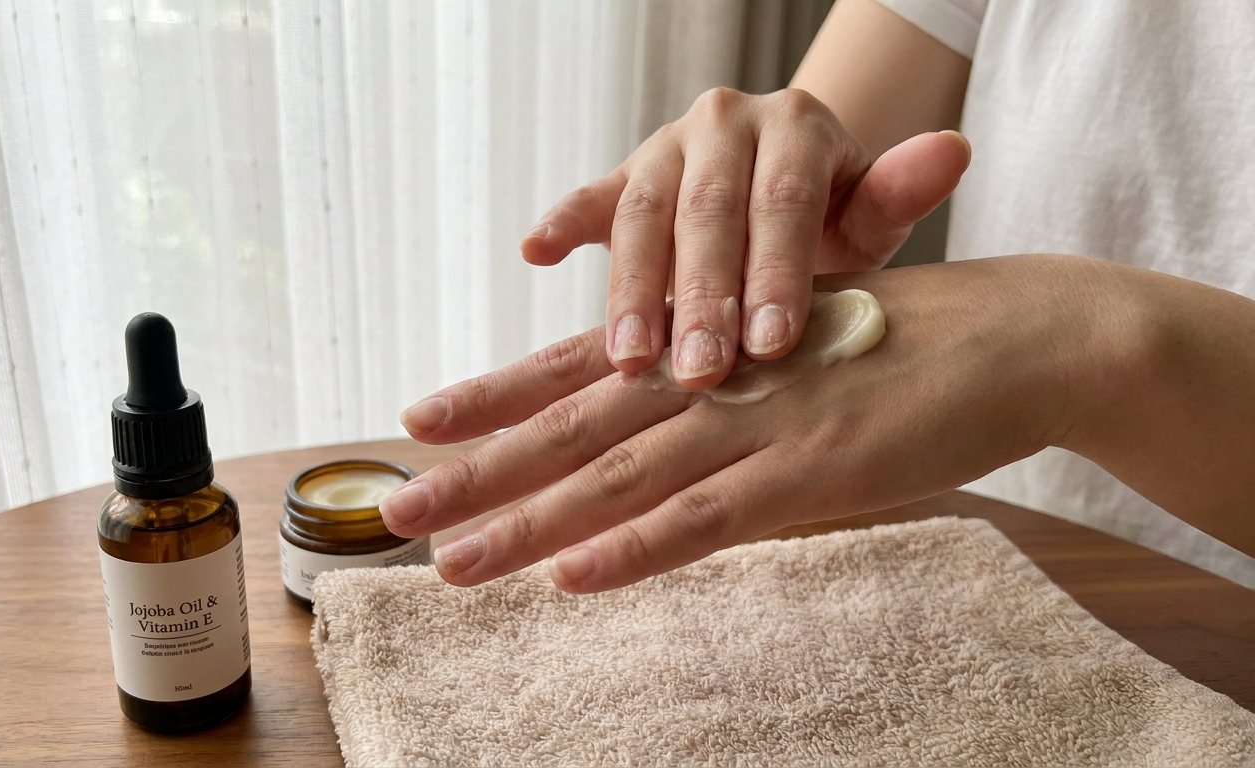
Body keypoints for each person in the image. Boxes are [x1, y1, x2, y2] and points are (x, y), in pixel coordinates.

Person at [379, 0, 1255, 592]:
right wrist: (764, 200)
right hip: (991, 565)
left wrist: (1081, 345)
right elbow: (821, 144)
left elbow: (1062, 344)